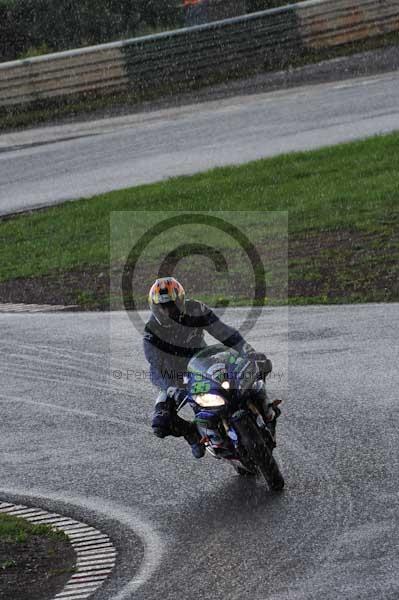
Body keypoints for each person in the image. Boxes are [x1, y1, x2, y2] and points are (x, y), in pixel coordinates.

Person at [143, 276, 278, 458]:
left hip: (203, 361)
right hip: (172, 376)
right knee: (160, 423)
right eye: (162, 307)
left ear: (181, 301)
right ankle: (191, 432)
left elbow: (224, 332)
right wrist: (172, 388)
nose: (167, 311)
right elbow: (157, 367)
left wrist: (249, 352)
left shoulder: (196, 309)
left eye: (171, 305)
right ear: (155, 308)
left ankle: (267, 411)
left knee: (253, 370)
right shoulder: (151, 331)